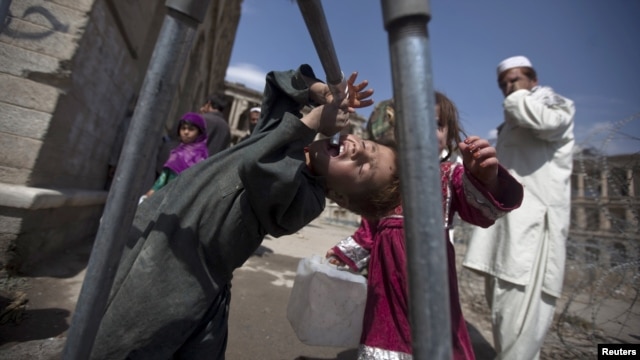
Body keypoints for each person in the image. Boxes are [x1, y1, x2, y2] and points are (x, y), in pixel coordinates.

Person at [89, 64, 399, 359]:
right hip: (156, 237)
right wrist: (322, 92)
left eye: (362, 169)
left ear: (341, 198)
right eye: (368, 147)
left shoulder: (306, 199)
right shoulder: (278, 135)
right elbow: (280, 83)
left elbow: (262, 166)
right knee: (101, 315)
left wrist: (315, 122)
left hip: (178, 281)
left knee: (120, 344)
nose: (358, 150)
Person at [326, 94, 524, 360]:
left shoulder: (447, 175)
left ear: (448, 138)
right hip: (387, 290)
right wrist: (342, 255)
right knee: (386, 339)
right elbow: (369, 229)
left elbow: (480, 211)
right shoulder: (384, 182)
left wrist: (487, 180)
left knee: (436, 343)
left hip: (435, 292)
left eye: (436, 124)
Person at [463, 55, 575, 360]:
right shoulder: (512, 121)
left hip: (533, 235)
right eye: (504, 84)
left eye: (515, 80)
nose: (509, 87)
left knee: (518, 334)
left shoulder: (554, 106)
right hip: (506, 231)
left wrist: (516, 97)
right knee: (504, 320)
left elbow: (545, 122)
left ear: (533, 80)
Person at [143, 112, 209, 199]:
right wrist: (151, 193)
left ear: (199, 133)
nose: (186, 132)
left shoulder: (202, 156)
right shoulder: (177, 153)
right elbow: (164, 177)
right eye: (183, 128)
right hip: (168, 197)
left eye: (191, 129)